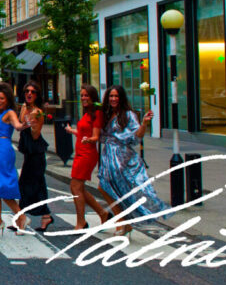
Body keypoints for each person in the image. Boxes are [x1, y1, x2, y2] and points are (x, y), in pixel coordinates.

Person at [97, 85, 169, 235]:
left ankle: (122, 223)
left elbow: (137, 136)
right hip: (107, 155)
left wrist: (144, 123)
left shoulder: (128, 115)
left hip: (121, 157)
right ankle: (124, 223)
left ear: (121, 98)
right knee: (106, 188)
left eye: (116, 96)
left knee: (115, 189)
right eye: (111, 96)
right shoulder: (106, 113)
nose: (113, 99)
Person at [0, 82, 32, 236]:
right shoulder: (2, 113)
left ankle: (13, 218)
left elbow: (17, 126)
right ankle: (9, 219)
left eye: (2, 98)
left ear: (8, 99)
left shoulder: (10, 113)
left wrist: (25, 124)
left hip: (3, 152)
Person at [64, 84, 110, 231]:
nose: (83, 98)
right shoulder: (87, 113)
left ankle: (81, 222)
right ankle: (103, 214)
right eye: (82, 95)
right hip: (80, 153)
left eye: (86, 95)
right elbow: (85, 132)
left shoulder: (97, 114)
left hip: (87, 154)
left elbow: (95, 136)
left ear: (92, 97)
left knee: (75, 187)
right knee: (79, 188)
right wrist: (73, 131)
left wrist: (88, 140)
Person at [18, 80, 54, 233]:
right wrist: (25, 115)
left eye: (32, 92)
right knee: (33, 185)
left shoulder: (38, 112)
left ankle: (22, 218)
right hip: (29, 153)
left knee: (29, 185)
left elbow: (35, 135)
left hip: (36, 154)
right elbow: (20, 123)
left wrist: (31, 123)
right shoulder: (25, 108)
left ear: (37, 95)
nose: (29, 94)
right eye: (27, 91)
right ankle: (44, 216)